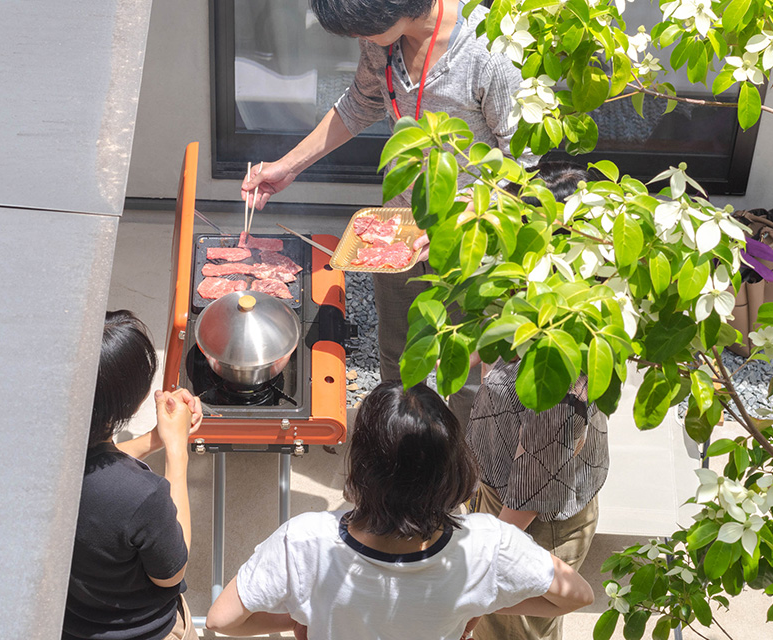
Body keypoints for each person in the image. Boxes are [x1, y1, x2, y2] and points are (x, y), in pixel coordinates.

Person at [240, 0, 534, 427]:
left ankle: (466, 466)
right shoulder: (383, 42)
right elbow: (360, 102)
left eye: (362, 29)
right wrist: (289, 166)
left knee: (469, 365)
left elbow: (523, 163)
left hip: (473, 237)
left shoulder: (489, 51)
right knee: (396, 349)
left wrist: (462, 218)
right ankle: (400, 446)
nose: (359, 39)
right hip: (398, 227)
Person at [205, 381, 594, 640]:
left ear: (361, 465)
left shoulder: (304, 541)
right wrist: (488, 597)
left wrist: (299, 616)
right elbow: (577, 596)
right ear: (454, 467)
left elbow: (221, 620)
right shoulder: (488, 546)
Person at [466, 161, 610, 640]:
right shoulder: (544, 296)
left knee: (510, 630)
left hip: (532, 521)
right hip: (505, 499)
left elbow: (540, 469)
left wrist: (490, 548)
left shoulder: (566, 347)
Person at [62, 310, 203, 640]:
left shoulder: (50, 458)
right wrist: (176, 453)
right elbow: (171, 572)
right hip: (143, 631)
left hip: (70, 621)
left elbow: (96, 469)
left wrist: (156, 438)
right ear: (132, 402)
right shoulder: (143, 496)